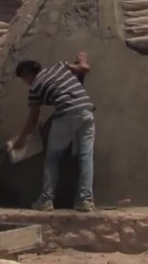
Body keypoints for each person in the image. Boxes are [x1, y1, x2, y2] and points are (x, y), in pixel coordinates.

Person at [12, 52, 95, 212]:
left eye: (24, 80)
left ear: (28, 75)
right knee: (86, 156)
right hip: (86, 110)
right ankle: (86, 200)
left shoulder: (35, 87)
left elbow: (33, 119)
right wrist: (83, 60)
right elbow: (84, 69)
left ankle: (46, 200)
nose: (26, 83)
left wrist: (21, 139)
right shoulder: (60, 66)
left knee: (53, 158)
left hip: (66, 114)